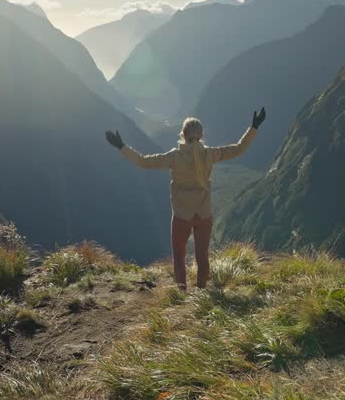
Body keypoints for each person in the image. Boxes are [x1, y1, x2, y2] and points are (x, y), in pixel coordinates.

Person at [106, 108, 265, 290]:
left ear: (182, 134)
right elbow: (239, 149)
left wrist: (121, 146)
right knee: (202, 257)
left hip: (182, 215)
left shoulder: (174, 157)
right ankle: (201, 293)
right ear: (202, 135)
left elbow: (144, 162)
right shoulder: (210, 154)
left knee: (179, 257)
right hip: (204, 214)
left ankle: (182, 294)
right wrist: (254, 127)